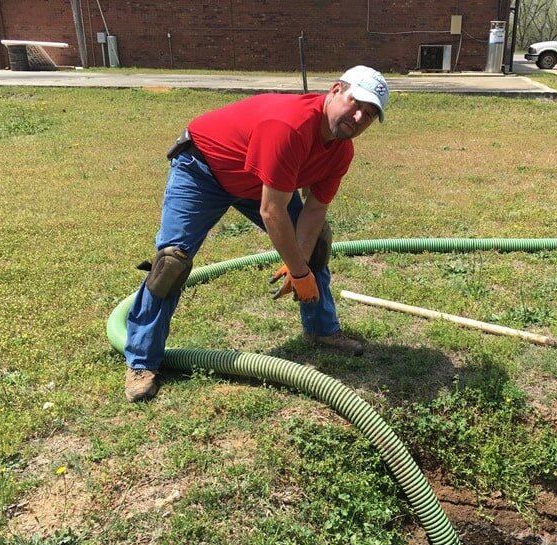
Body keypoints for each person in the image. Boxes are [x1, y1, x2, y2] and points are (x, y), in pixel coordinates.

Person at [124, 65, 390, 402]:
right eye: (355, 103)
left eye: (368, 114)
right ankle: (141, 362)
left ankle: (322, 331)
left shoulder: (341, 151)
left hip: (259, 182)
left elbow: (314, 210)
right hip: (204, 169)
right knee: (171, 264)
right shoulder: (290, 127)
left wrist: (303, 263)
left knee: (317, 244)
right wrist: (297, 269)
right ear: (335, 90)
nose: (357, 117)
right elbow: (272, 211)